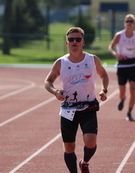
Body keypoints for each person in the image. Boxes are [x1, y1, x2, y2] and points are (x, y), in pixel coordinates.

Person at [44, 27, 109, 173]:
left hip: (88, 107)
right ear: (67, 42)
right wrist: (55, 92)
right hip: (68, 109)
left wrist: (104, 90)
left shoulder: (92, 59)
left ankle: (85, 162)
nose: (74, 42)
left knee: (91, 142)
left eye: (78, 39)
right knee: (69, 147)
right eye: (71, 39)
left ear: (83, 42)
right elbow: (47, 82)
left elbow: (104, 75)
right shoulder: (61, 63)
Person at [108, 14, 135, 121]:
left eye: (131, 21)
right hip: (122, 65)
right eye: (127, 21)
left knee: (133, 90)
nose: (129, 23)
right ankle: (122, 99)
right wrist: (116, 55)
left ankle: (129, 112)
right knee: (122, 91)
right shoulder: (119, 35)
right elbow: (110, 47)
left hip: (133, 65)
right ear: (124, 23)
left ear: (134, 24)